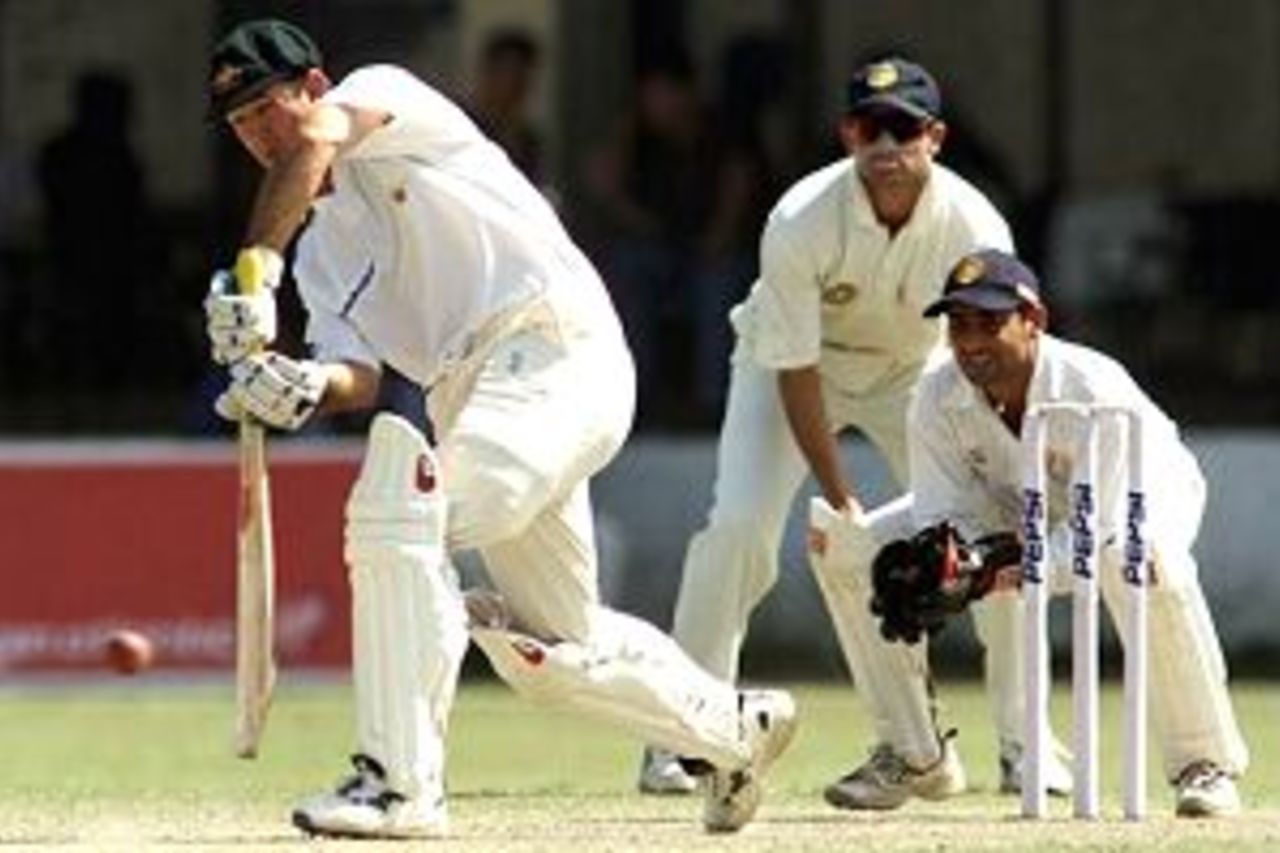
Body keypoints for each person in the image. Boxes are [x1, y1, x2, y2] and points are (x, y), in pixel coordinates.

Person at [203, 19, 795, 839]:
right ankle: (737, 731)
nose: (259, 135)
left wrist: (250, 276)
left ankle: (398, 784)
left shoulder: (378, 96)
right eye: (240, 125)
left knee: (401, 515)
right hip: (470, 396)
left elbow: (312, 146)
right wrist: (299, 385)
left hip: (551, 348)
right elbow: (360, 375)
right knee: (555, 647)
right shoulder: (319, 257)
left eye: (267, 109)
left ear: (313, 86)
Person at [640, 57, 1072, 805]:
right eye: (871, 128)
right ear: (847, 134)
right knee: (738, 528)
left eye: (904, 128)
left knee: (989, 538)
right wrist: (840, 499)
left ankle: (1027, 742)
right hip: (794, 367)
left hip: (920, 374)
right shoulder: (800, 218)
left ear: (934, 137)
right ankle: (683, 738)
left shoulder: (974, 224)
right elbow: (797, 367)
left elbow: (998, 348)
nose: (887, 145)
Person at [907, 247, 1249, 817]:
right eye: (958, 325)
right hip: (1025, 511)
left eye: (989, 323)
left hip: (1142, 496)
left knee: (1144, 563)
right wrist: (950, 563)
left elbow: (1102, 535)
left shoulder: (1093, 386)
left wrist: (997, 567)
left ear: (1034, 320)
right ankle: (907, 749)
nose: (970, 342)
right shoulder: (936, 395)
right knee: (864, 543)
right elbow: (942, 515)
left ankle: (1204, 764)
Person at [464, 28, 546, 188]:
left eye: (524, 75)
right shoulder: (463, 127)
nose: (516, 84)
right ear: (488, 73)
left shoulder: (529, 140)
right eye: (508, 72)